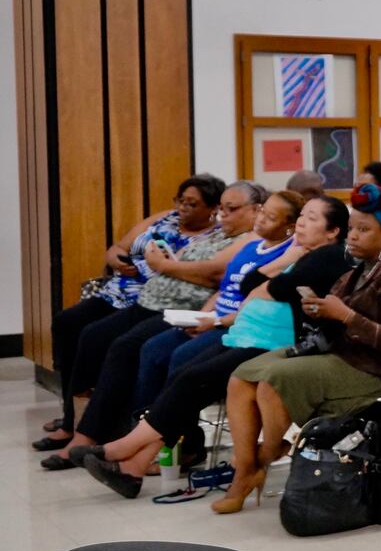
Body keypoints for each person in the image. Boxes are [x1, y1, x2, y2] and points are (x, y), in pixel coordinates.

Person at [82, 197, 354, 494]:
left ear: (333, 231)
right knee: (184, 374)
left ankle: (125, 448)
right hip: (247, 335)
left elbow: (273, 288)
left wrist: (271, 278)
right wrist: (283, 263)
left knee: (191, 378)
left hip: (276, 345)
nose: (302, 222)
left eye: (312, 218)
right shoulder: (301, 253)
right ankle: (133, 468)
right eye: (302, 215)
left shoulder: (329, 256)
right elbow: (248, 284)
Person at [201, 185, 381, 514]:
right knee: (240, 376)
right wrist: (321, 311)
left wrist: (345, 315)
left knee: (273, 382)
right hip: (335, 354)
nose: (354, 237)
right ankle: (249, 468)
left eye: (365, 230)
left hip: (369, 371)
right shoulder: (353, 271)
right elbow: (337, 320)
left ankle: (254, 467)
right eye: (353, 229)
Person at [43, 181, 262, 471]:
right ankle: (84, 427)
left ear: (255, 210)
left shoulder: (249, 239)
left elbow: (214, 275)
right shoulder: (215, 234)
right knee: (89, 334)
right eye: (222, 208)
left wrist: (166, 267)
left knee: (131, 348)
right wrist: (172, 268)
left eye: (231, 209)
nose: (223, 216)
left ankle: (109, 437)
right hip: (152, 301)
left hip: (185, 309)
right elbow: (183, 265)